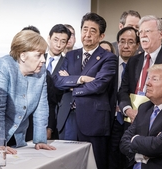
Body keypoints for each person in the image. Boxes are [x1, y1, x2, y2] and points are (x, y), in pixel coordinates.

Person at [53, 12, 117, 169]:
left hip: (93, 120)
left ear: (101, 35)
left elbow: (99, 85)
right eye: (84, 29)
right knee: (66, 163)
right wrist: (80, 79)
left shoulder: (108, 58)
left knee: (93, 164)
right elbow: (58, 81)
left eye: (93, 31)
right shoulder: (70, 55)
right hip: (68, 117)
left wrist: (71, 85)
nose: (87, 34)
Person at [0, 30, 56, 153]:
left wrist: (40, 140)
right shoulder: (3, 66)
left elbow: (41, 107)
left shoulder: (41, 71)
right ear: (23, 56)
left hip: (16, 134)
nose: (43, 60)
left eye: (43, 55)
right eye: (38, 55)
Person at [118, 15, 162, 124]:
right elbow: (123, 91)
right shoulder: (133, 60)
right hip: (131, 120)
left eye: (147, 31)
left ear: (161, 34)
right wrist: (128, 110)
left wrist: (146, 113)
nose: (142, 35)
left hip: (157, 120)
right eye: (140, 32)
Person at [108, 27, 140, 169]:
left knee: (130, 156)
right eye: (122, 41)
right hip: (111, 119)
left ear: (137, 45)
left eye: (130, 42)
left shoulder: (141, 66)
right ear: (117, 43)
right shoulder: (108, 64)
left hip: (134, 119)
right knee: (111, 157)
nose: (126, 46)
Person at [45, 24, 71, 140]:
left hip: (57, 113)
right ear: (48, 38)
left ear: (67, 44)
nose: (58, 44)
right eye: (55, 40)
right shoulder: (37, 58)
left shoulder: (68, 63)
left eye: (63, 41)